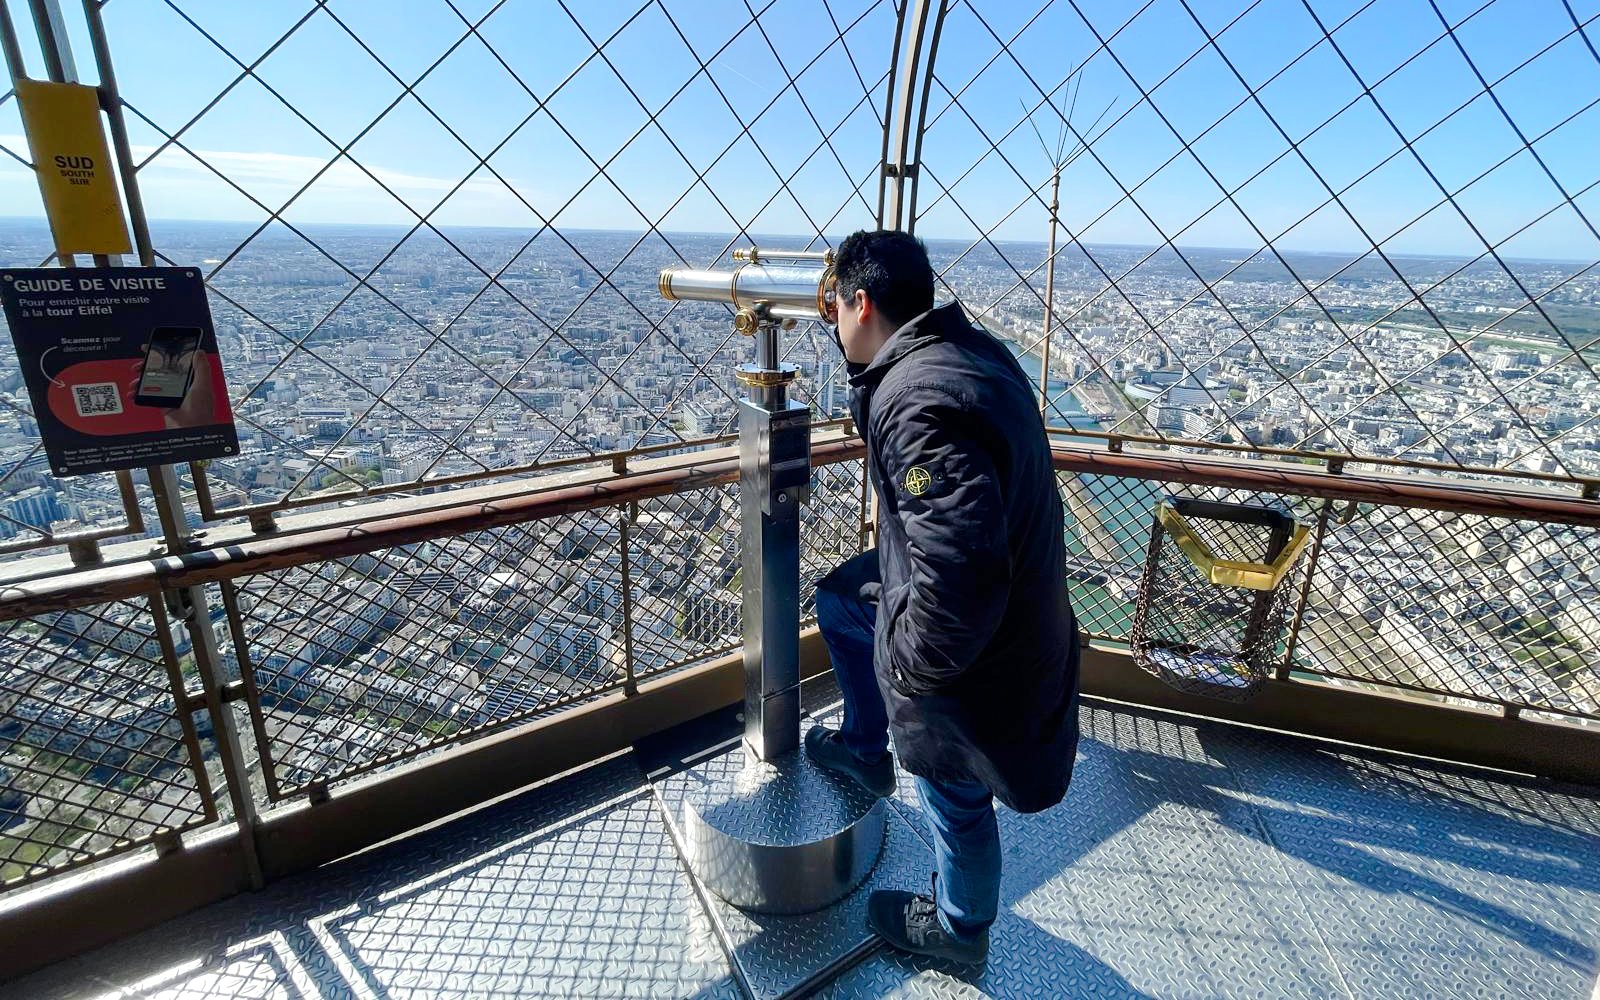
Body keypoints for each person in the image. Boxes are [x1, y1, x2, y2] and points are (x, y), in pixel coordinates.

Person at [805, 229, 1080, 966]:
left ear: (861, 304)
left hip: (979, 653)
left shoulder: (917, 402)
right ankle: (866, 747)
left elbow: (961, 577)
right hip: (1021, 617)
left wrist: (907, 674)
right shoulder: (969, 356)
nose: (829, 321)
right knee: (839, 600)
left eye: (832, 306)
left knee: (954, 794)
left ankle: (959, 931)